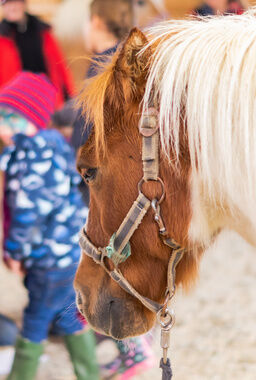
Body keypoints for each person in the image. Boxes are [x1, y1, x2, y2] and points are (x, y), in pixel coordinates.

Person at [72, 1, 156, 378]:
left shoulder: (102, 72)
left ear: (94, 22)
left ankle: (134, 352)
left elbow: (84, 135)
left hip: (99, 186)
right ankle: (139, 345)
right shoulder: (128, 67)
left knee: (110, 259)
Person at [0, 72, 99, 380]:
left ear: (22, 119)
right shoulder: (48, 147)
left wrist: (14, 250)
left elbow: (29, 213)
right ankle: (89, 374)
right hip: (67, 252)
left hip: (49, 257)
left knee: (34, 319)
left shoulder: (33, 156)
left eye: (3, 115)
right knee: (68, 316)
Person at [0, 0, 75, 107]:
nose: (12, 7)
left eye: (16, 2)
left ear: (23, 3)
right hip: (15, 104)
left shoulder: (43, 31)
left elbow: (60, 66)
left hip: (46, 99)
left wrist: (70, 95)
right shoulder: (2, 38)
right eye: (7, 3)